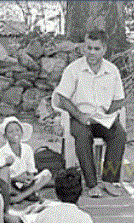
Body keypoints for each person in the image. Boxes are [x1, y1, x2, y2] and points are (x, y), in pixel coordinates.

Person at [54, 29, 126, 198]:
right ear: (84, 48)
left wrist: (108, 113)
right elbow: (62, 98)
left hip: (102, 118)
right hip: (79, 117)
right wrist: (79, 115)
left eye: (96, 48)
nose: (92, 52)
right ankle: (92, 184)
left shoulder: (112, 70)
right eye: (89, 48)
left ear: (104, 50)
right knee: (83, 136)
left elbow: (120, 99)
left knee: (119, 134)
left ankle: (109, 181)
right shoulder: (74, 69)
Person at [0, 116, 51, 204]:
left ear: (21, 132)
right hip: (11, 185)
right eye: (10, 131)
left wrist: (29, 178)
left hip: (26, 184)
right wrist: (16, 179)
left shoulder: (27, 148)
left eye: (17, 130)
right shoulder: (1, 153)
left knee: (46, 174)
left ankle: (20, 197)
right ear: (5, 136)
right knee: (5, 187)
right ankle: (28, 194)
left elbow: (31, 170)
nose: (15, 133)